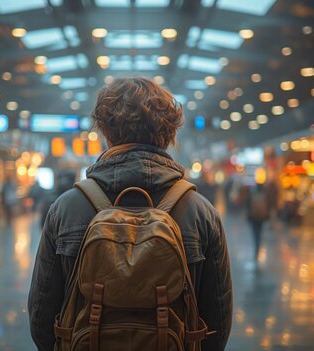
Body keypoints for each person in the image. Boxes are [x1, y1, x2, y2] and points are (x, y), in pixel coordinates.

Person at [28, 77, 232, 351]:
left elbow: (41, 319)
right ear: (169, 135)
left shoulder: (66, 208)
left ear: (106, 132)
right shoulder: (200, 212)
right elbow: (217, 324)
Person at [247, 183, 270, 261]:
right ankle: (258, 246)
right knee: (259, 233)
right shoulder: (265, 194)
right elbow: (268, 207)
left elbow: (248, 205)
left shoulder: (252, 194)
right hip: (261, 217)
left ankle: (256, 247)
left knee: (255, 233)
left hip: (254, 217)